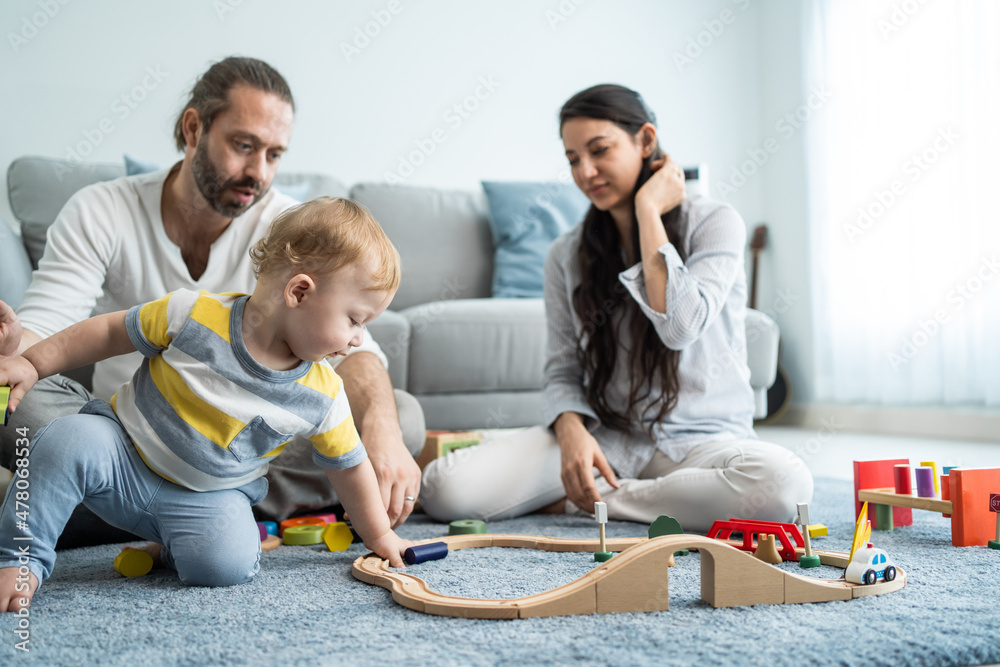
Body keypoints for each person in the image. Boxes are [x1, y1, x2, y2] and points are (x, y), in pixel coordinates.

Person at [0, 57, 424, 545]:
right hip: (120, 433)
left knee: (401, 419)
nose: (258, 173)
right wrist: (17, 349)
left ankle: (90, 504)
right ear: (193, 127)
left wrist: (384, 427)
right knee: (19, 402)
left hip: (233, 458)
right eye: (244, 146)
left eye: (274, 155)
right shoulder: (102, 209)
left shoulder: (291, 229)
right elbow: (50, 324)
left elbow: (358, 350)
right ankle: (169, 511)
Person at [420, 84, 813, 530]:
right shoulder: (566, 255)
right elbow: (562, 368)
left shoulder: (716, 223)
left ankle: (596, 502)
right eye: (572, 159)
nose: (585, 172)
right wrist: (570, 431)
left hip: (704, 443)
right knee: (444, 491)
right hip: (607, 441)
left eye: (599, 150)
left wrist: (648, 211)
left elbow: (680, 327)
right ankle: (640, 499)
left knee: (784, 486)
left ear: (645, 141)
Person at [0, 197, 411, 612]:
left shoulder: (325, 394)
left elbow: (349, 467)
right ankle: (20, 558)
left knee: (225, 564)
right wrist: (32, 365)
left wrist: (378, 537)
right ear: (299, 291)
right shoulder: (192, 313)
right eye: (355, 320)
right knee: (66, 439)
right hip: (122, 457)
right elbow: (107, 333)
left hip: (206, 499)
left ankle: (175, 547)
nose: (358, 339)